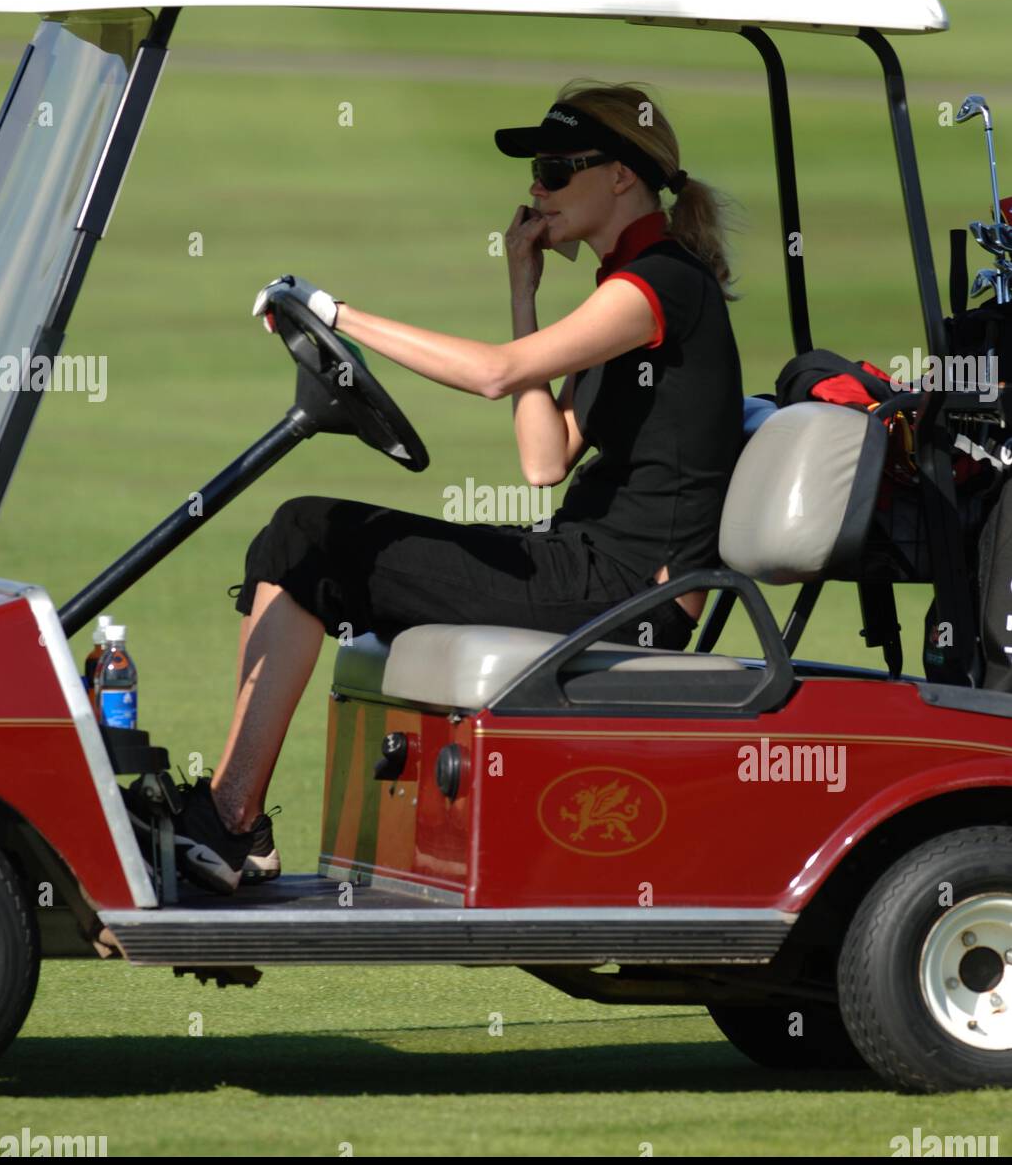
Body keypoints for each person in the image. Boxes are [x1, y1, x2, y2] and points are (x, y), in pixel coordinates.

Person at [164, 79, 745, 894]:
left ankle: (229, 823)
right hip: (583, 567)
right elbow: (546, 459)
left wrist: (337, 313)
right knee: (302, 538)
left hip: (625, 594)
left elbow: (494, 376)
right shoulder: (625, 289)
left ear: (620, 175)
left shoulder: (658, 285)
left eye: (552, 170)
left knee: (310, 535)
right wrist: (522, 289)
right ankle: (231, 822)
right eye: (534, 175)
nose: (534, 190)